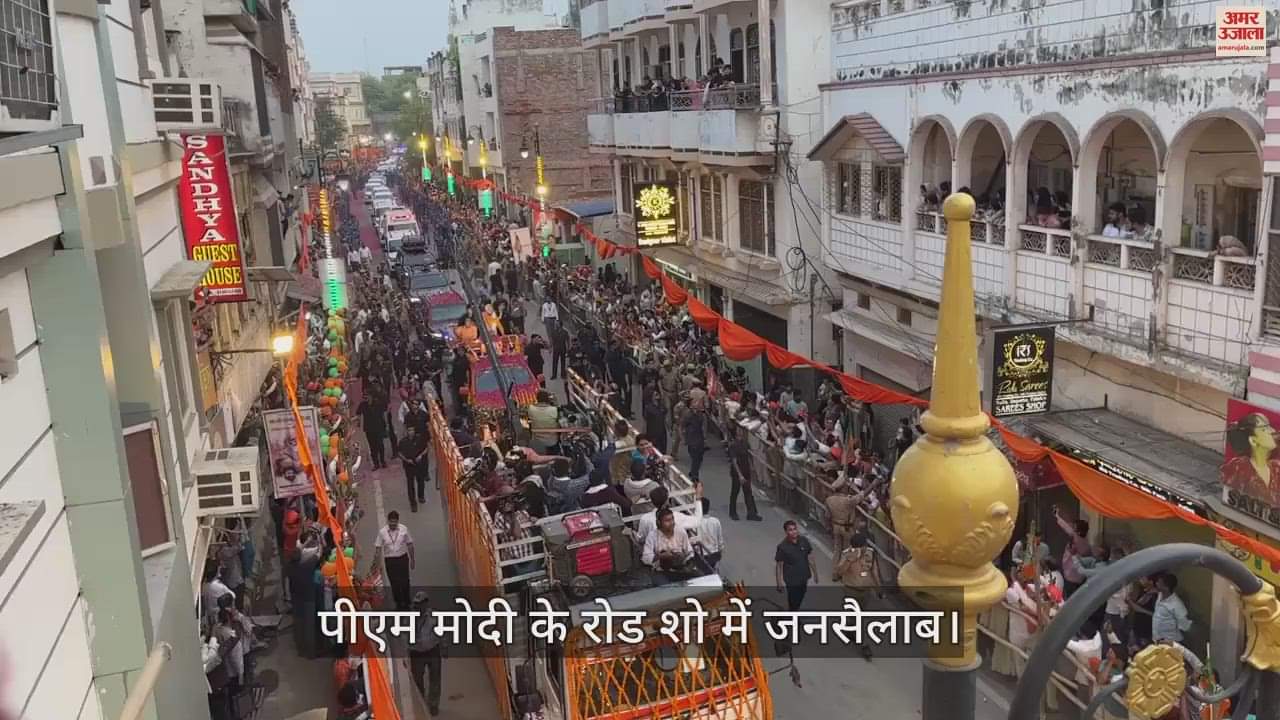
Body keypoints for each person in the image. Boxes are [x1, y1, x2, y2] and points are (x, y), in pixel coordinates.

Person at [833, 532, 879, 660]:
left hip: (865, 592)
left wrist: (879, 589)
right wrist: (850, 560)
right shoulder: (846, 554)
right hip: (851, 591)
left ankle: (850, 630)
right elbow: (839, 572)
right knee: (859, 618)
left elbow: (874, 571)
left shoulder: (870, 553)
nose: (864, 548)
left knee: (860, 617)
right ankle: (864, 645)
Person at [409, 591, 444, 716]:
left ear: (426, 603)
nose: (418, 606)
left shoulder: (433, 616)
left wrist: (444, 647)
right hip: (417, 653)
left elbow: (441, 632)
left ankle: (433, 704)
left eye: (421, 603)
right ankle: (421, 704)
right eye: (416, 604)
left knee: (435, 678)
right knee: (417, 679)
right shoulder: (409, 618)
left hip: (433, 650)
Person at [375, 511, 415, 610]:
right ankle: (398, 602)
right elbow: (378, 548)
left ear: (397, 521)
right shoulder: (382, 532)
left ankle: (407, 600)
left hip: (402, 559)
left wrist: (412, 559)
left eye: (394, 522)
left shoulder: (404, 529)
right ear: (388, 521)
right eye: (391, 522)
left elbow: (410, 544)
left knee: (405, 581)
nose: (393, 524)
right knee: (394, 582)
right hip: (390, 560)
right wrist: (377, 564)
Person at [775, 520, 817, 611]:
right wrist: (779, 582)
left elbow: (810, 557)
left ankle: (792, 612)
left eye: (795, 529)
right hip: (791, 580)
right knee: (793, 600)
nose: (794, 531)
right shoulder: (782, 547)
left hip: (804, 577)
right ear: (786, 532)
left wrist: (815, 574)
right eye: (790, 530)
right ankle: (792, 615)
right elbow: (779, 566)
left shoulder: (804, 541)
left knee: (801, 595)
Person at [642, 507, 695, 574]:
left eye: (672, 519)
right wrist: (660, 556)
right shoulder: (652, 536)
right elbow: (645, 558)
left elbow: (690, 553)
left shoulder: (681, 531)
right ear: (659, 522)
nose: (672, 522)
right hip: (661, 571)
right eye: (667, 520)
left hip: (681, 569)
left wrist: (684, 558)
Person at [727, 423, 762, 521]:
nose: (741, 432)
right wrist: (740, 475)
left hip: (746, 470)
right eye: (739, 431)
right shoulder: (733, 445)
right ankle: (732, 512)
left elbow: (748, 457)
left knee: (748, 492)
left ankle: (751, 513)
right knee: (735, 492)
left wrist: (752, 468)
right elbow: (734, 461)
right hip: (737, 473)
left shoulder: (745, 443)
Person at [357, 381, 390, 469]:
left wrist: (386, 424)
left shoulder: (378, 403)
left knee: (380, 445)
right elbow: (358, 413)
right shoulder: (363, 405)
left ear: (371, 396)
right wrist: (358, 422)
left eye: (367, 396)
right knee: (372, 446)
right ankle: (376, 464)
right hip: (369, 428)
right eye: (364, 396)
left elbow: (384, 413)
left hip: (379, 426)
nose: (365, 397)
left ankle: (383, 461)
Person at [1152, 572, 1191, 644]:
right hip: (1158, 640)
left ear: (1166, 587)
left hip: (1171, 642)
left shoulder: (1176, 604)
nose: (1156, 583)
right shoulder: (1160, 595)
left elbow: (1185, 626)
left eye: (1159, 583)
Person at [399, 423, 431, 511]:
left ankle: (421, 496)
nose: (411, 432)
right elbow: (399, 453)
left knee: (420, 481)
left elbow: (426, 448)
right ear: (406, 431)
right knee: (410, 484)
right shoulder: (403, 442)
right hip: (409, 466)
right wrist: (406, 460)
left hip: (419, 464)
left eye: (412, 430)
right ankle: (413, 503)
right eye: (409, 430)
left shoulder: (419, 439)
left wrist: (421, 455)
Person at [683, 398, 708, 481]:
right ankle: (694, 475)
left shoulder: (701, 414)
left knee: (700, 458)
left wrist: (705, 438)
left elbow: (703, 426)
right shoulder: (687, 415)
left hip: (699, 438)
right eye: (694, 403)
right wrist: (684, 439)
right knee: (695, 458)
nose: (697, 404)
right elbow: (682, 426)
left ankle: (693, 471)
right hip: (692, 438)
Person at [697, 498, 724, 568]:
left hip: (701, 556)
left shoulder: (695, 522)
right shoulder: (716, 521)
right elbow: (720, 541)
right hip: (714, 555)